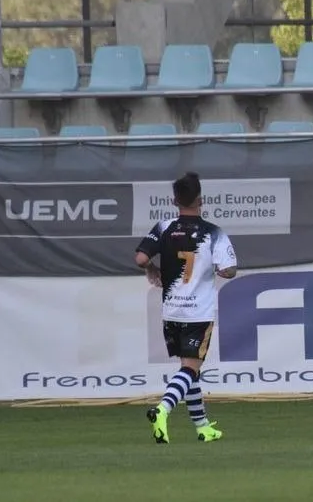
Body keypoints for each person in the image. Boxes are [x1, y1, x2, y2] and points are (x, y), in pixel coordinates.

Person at [136, 172, 237, 443]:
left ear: (174, 201)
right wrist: (217, 268)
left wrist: (151, 269)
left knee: (188, 368)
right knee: (191, 368)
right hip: (198, 312)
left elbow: (140, 257)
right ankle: (162, 409)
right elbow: (229, 271)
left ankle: (202, 427)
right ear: (200, 200)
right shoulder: (213, 232)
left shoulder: (164, 227)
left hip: (171, 310)